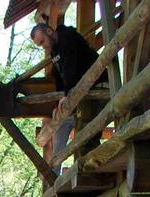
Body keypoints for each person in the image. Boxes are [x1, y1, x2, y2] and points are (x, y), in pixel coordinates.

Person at [29, 20, 99, 160]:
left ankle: (87, 167)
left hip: (96, 87)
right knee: (62, 124)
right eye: (40, 45)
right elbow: (60, 78)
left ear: (49, 31)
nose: (43, 47)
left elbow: (70, 68)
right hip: (80, 93)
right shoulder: (55, 52)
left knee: (85, 133)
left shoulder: (68, 38)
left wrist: (67, 95)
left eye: (42, 41)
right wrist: (59, 102)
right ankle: (55, 172)